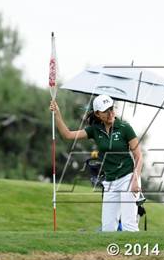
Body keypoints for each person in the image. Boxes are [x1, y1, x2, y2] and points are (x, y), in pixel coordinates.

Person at [49, 94, 142, 232]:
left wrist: (135, 178)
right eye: (106, 111)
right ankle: (110, 253)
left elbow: (139, 156)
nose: (110, 113)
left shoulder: (124, 127)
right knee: (108, 228)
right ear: (98, 114)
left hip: (128, 177)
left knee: (129, 225)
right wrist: (57, 114)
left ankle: (134, 252)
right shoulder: (95, 130)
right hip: (110, 181)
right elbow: (67, 135)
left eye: (112, 109)